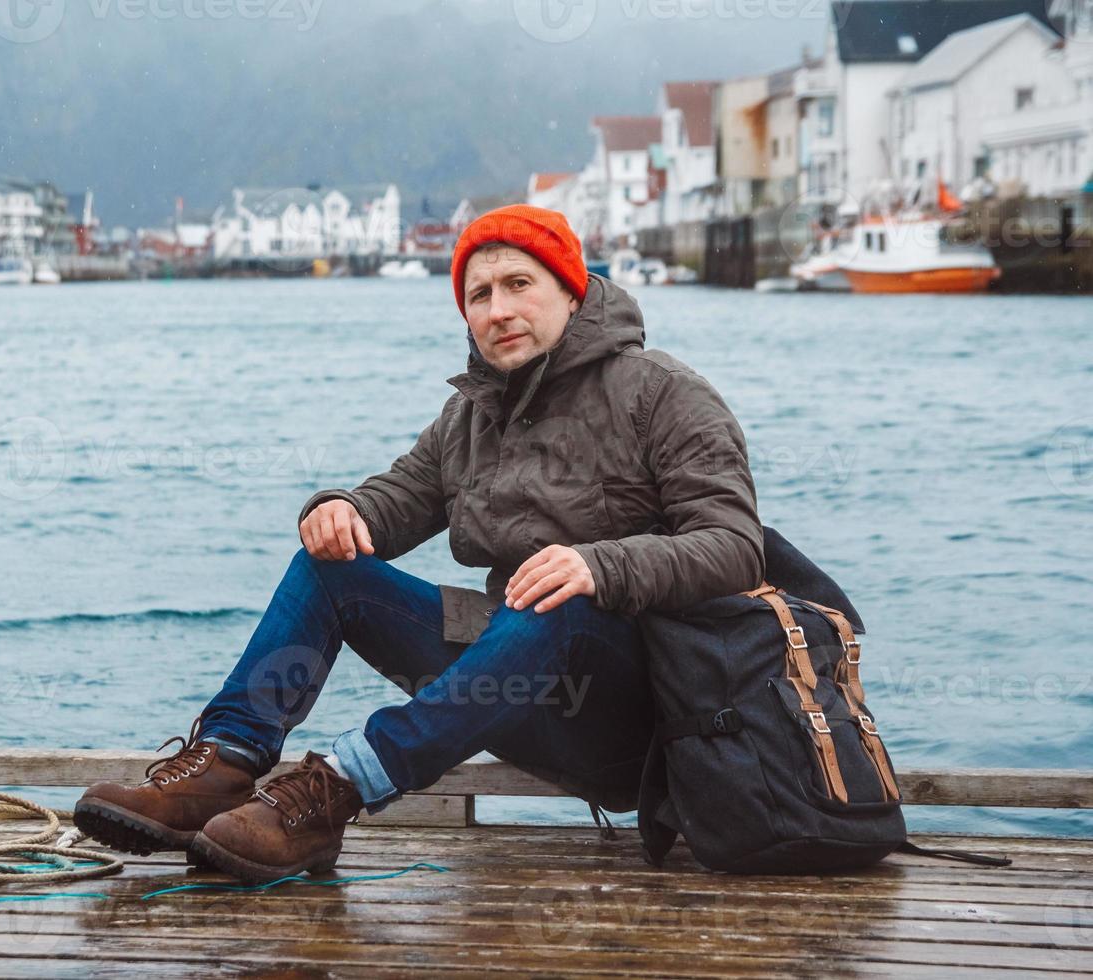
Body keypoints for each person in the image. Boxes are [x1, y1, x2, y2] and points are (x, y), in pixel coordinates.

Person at [75, 205, 764, 883]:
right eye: (479, 295)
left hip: (636, 722)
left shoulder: (662, 393)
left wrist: (597, 564)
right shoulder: (469, 416)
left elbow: (735, 547)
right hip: (511, 689)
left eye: (519, 284)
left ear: (571, 287)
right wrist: (341, 509)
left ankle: (339, 789)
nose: (498, 310)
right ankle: (224, 762)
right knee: (331, 569)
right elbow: (396, 500)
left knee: (559, 596)